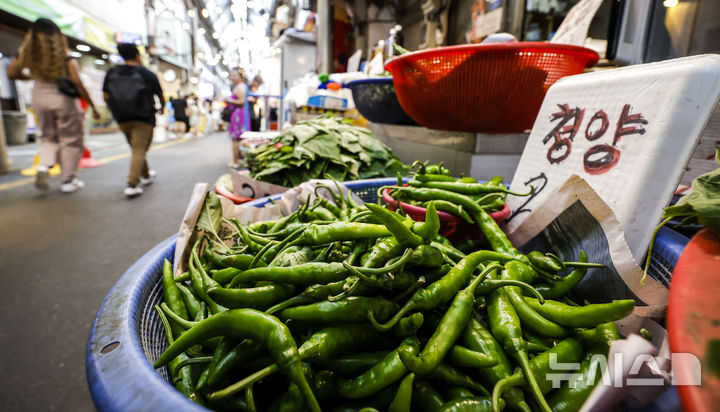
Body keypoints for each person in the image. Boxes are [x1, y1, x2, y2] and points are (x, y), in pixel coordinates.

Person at [7, 18, 100, 193]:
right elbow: (78, 83)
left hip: (39, 96)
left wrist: (31, 78)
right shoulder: (65, 57)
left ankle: (44, 165)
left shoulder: (28, 54)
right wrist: (92, 105)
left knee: (48, 137)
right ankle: (68, 180)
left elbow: (12, 73)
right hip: (63, 98)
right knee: (70, 140)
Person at [103, 43, 164, 198]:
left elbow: (106, 95)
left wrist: (114, 109)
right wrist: (161, 108)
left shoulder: (111, 72)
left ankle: (147, 175)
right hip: (143, 118)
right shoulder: (146, 73)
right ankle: (132, 184)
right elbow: (160, 94)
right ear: (138, 55)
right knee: (139, 149)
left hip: (122, 118)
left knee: (137, 148)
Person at [226, 67, 250, 168]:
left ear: (240, 76)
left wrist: (229, 100)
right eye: (231, 75)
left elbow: (243, 101)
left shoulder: (240, 87)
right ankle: (243, 159)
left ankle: (236, 161)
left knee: (236, 140)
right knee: (242, 139)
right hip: (239, 114)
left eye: (234, 75)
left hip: (239, 115)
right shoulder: (240, 86)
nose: (232, 77)